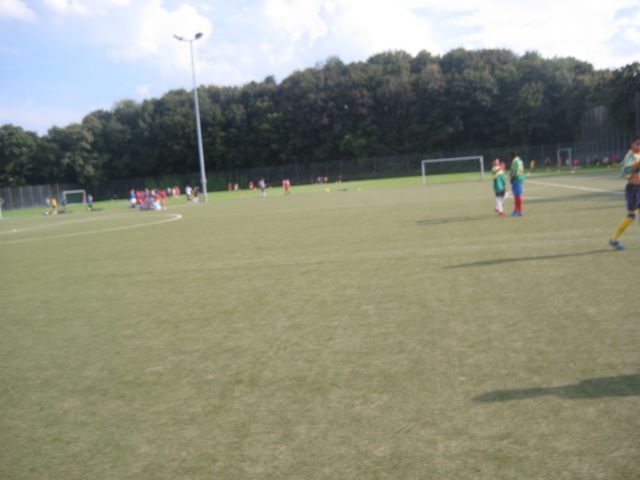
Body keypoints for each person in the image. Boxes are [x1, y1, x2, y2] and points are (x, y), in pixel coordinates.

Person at [608, 137, 640, 250]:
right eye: (637, 144)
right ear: (632, 144)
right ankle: (614, 240)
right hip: (634, 189)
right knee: (631, 216)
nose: (639, 146)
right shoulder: (630, 156)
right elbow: (627, 172)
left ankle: (614, 240)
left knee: (631, 216)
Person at [509, 151, 525, 217]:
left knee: (517, 196)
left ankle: (520, 211)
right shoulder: (520, 161)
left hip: (516, 179)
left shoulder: (515, 162)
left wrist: (512, 177)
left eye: (510, 156)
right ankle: (516, 210)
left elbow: (515, 171)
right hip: (520, 179)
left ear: (512, 156)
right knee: (516, 195)